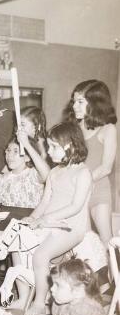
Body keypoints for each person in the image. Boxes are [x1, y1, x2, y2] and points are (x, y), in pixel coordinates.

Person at [22, 121, 92, 315]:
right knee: (18, 246)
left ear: (69, 145)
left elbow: (75, 206)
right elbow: (44, 202)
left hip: (70, 227)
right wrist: (33, 217)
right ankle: (22, 297)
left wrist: (46, 219)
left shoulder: (82, 172)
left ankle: (39, 303)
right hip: (49, 223)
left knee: (40, 256)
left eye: (53, 146)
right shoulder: (54, 172)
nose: (48, 150)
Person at [0, 136, 46, 309]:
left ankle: (24, 296)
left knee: (15, 239)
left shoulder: (35, 175)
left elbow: (47, 174)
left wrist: (26, 145)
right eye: (7, 151)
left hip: (30, 220)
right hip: (4, 220)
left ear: (27, 157)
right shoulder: (0, 179)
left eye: (15, 152)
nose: (9, 155)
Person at [69, 80, 117, 246]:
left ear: (96, 103)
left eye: (80, 102)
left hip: (98, 192)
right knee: (79, 242)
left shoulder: (108, 129)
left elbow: (106, 167)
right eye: (74, 101)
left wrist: (82, 182)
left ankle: (114, 272)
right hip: (74, 193)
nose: (75, 106)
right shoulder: (73, 128)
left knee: (107, 242)